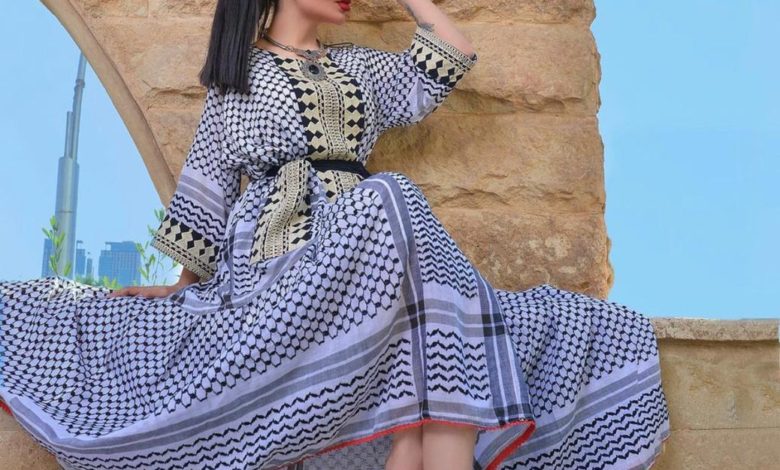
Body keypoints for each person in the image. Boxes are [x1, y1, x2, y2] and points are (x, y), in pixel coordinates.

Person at [0, 0, 670, 469]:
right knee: (394, 197)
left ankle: (418, 446)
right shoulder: (235, 80)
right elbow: (206, 191)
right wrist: (180, 286)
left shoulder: (359, 69)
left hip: (375, 256)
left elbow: (453, 52)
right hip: (283, 266)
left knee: (409, 234)